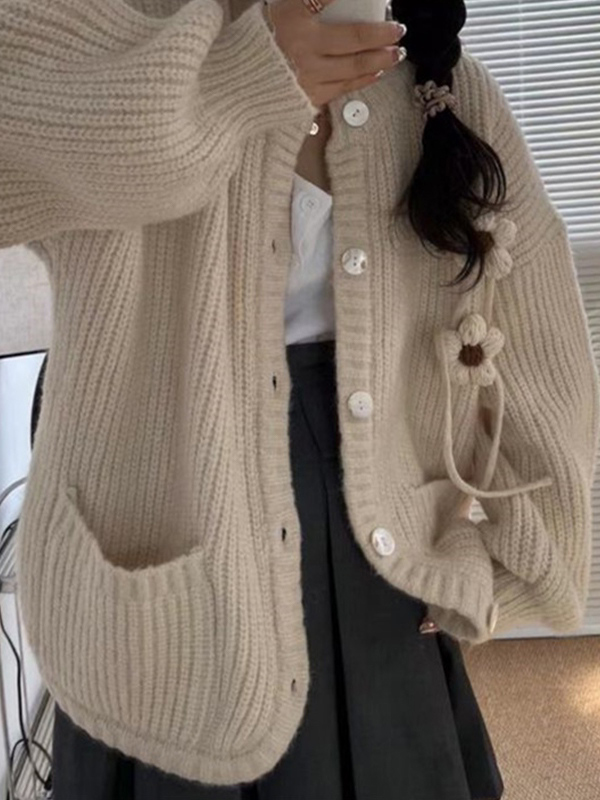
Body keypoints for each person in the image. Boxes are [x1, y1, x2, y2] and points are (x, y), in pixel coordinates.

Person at [1, 0, 598, 798]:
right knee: (174, 719)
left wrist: (520, 558)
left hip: (375, 528)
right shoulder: (124, 27)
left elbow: (536, 331)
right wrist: (233, 80)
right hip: (165, 510)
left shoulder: (437, 85)